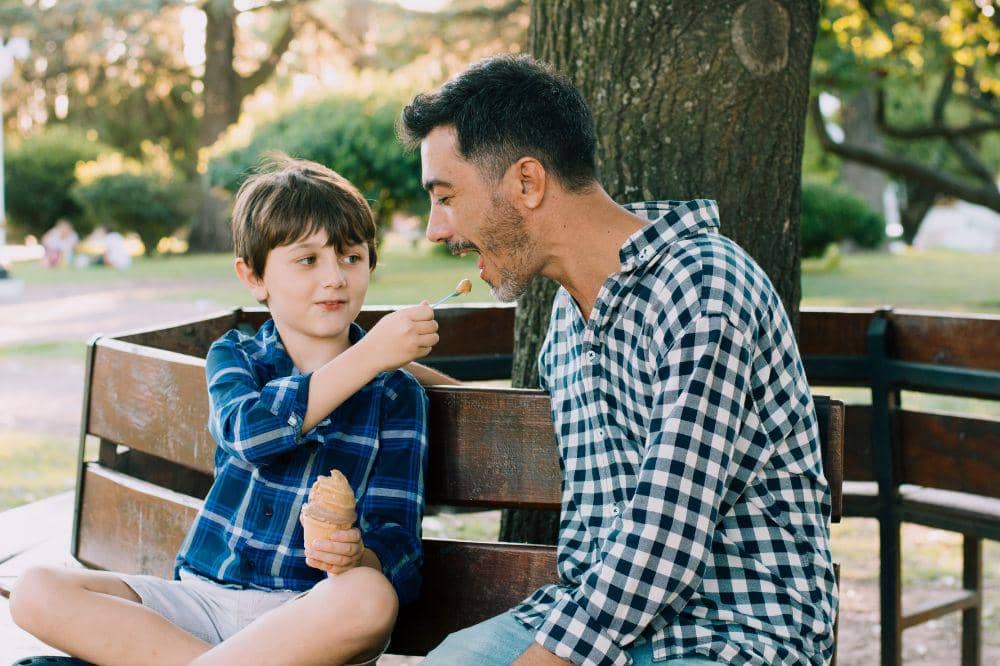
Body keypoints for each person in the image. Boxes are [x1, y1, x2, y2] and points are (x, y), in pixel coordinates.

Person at [403, 55, 837, 665]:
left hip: (736, 635)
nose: (434, 228)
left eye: (446, 197)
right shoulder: (568, 315)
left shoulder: (703, 288)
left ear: (527, 183)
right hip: (602, 621)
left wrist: (549, 658)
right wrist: (382, 363)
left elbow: (667, 536)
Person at [11, 154, 440, 665]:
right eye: (308, 260)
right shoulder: (236, 356)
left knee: (370, 598)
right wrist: (369, 355)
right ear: (254, 276)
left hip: (306, 621)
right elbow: (252, 435)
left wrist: (358, 555)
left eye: (352, 257)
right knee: (35, 590)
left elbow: (401, 552)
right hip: (200, 600)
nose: (335, 278)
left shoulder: (396, 395)